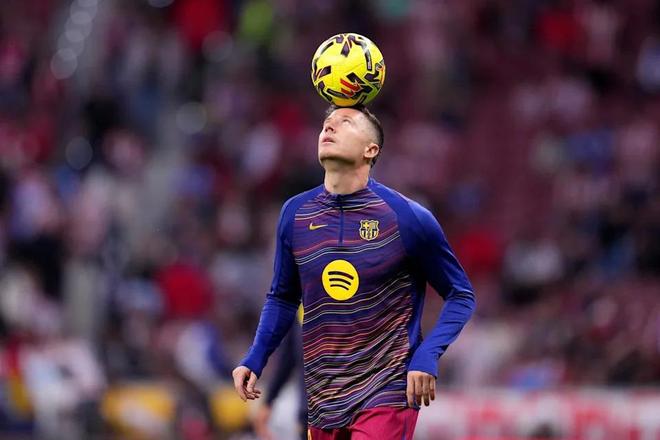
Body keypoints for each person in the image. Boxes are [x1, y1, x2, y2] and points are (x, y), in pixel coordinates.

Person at [233, 105, 476, 440]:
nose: (329, 129)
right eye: (326, 124)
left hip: (387, 388)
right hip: (323, 397)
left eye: (345, 123)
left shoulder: (407, 217)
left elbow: (460, 294)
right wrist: (255, 358)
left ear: (370, 149)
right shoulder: (295, 214)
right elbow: (283, 298)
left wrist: (427, 354)